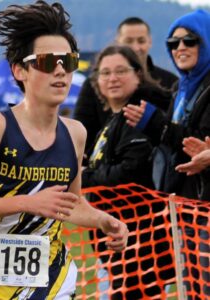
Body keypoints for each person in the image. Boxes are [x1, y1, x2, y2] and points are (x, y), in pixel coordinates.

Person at [0, 2, 128, 299]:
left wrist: (103, 220)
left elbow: (70, 203)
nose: (59, 71)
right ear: (19, 70)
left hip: (53, 285)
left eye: (68, 61)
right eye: (45, 61)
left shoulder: (75, 132)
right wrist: (27, 202)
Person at [123, 9, 210, 297]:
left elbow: (195, 143)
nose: (180, 48)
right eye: (173, 43)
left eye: (190, 41)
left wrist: (156, 125)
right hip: (185, 205)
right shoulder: (184, 88)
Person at [83, 45, 174, 299]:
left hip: (142, 241)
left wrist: (84, 177)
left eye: (121, 71)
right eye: (105, 72)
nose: (112, 78)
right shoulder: (114, 119)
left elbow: (129, 172)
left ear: (138, 75)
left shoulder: (138, 115)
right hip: (117, 241)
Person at [74, 17, 178, 157]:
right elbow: (82, 130)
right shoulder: (94, 83)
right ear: (118, 42)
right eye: (129, 41)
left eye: (141, 41)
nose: (136, 47)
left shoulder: (169, 82)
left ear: (150, 42)